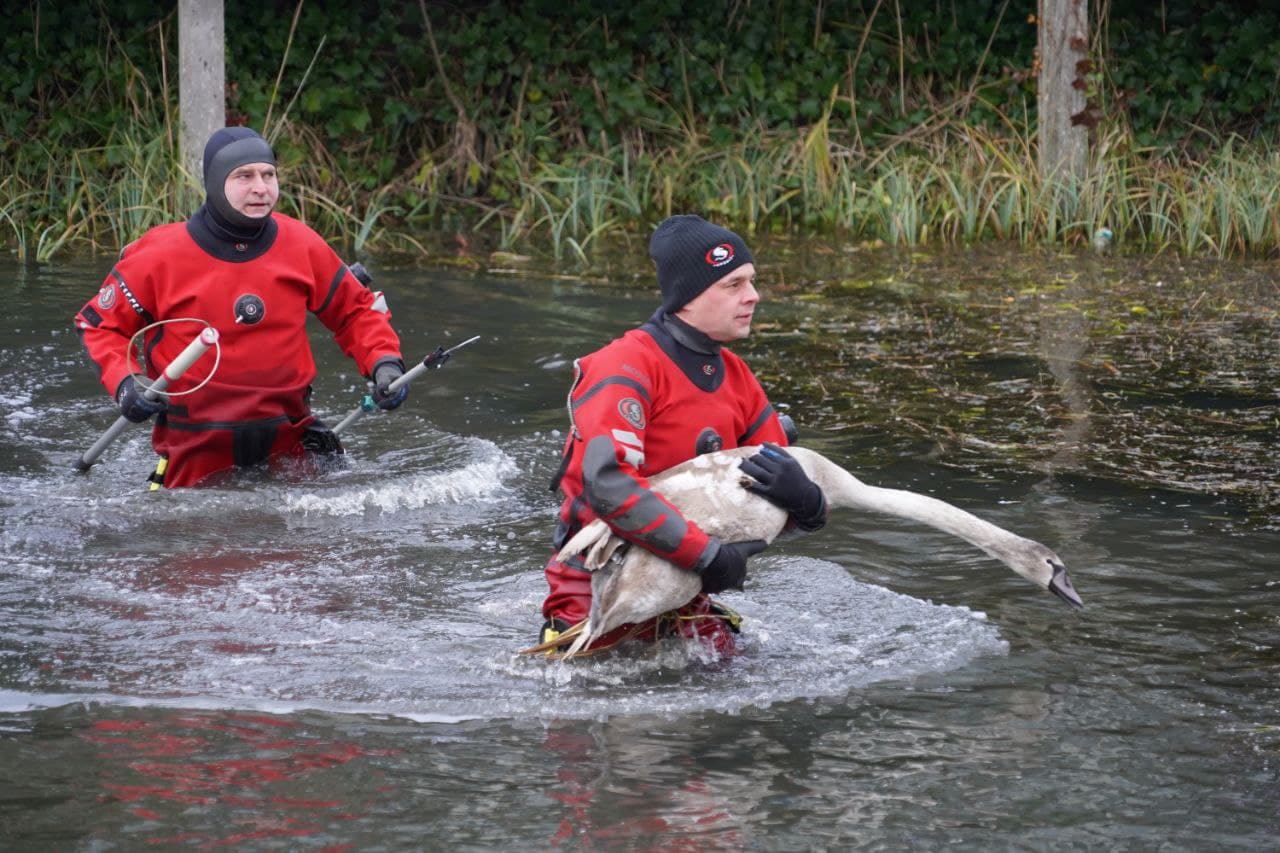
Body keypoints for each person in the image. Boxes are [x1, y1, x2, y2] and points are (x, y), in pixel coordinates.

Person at [540, 214, 828, 655]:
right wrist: (707, 557)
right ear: (688, 297)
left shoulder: (736, 375)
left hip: (689, 593)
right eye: (733, 285)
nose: (753, 296)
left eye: (751, 282)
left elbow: (765, 493)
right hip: (599, 590)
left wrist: (808, 504)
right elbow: (608, 485)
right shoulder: (625, 366)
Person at [73, 126, 408, 488]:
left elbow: (356, 311)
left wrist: (385, 364)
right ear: (216, 183)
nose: (261, 188)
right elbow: (100, 326)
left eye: (268, 175)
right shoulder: (158, 255)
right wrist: (127, 384)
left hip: (291, 439)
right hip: (196, 447)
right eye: (244, 176)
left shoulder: (303, 244)